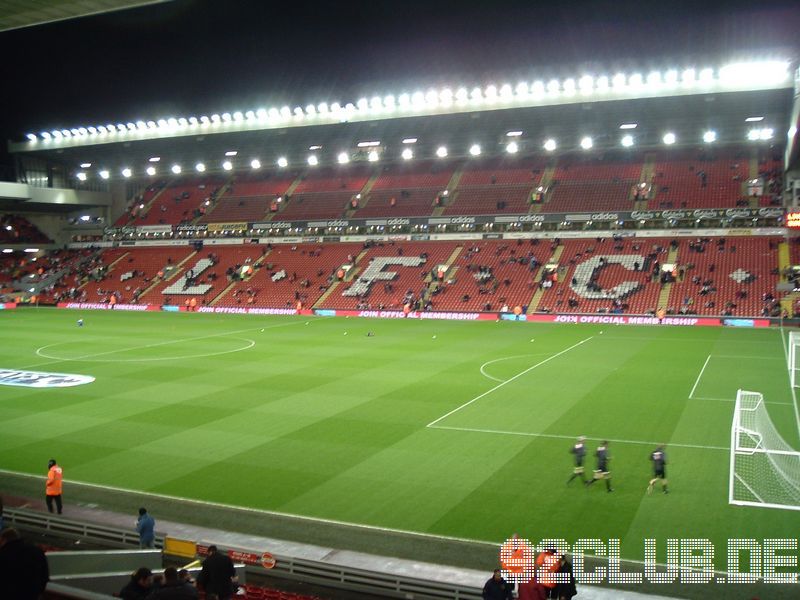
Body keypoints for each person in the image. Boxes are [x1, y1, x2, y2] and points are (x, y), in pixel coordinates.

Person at [0, 528, 50, 600]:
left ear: (4, 540)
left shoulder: (4, 554)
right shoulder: (37, 552)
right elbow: (44, 575)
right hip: (31, 595)